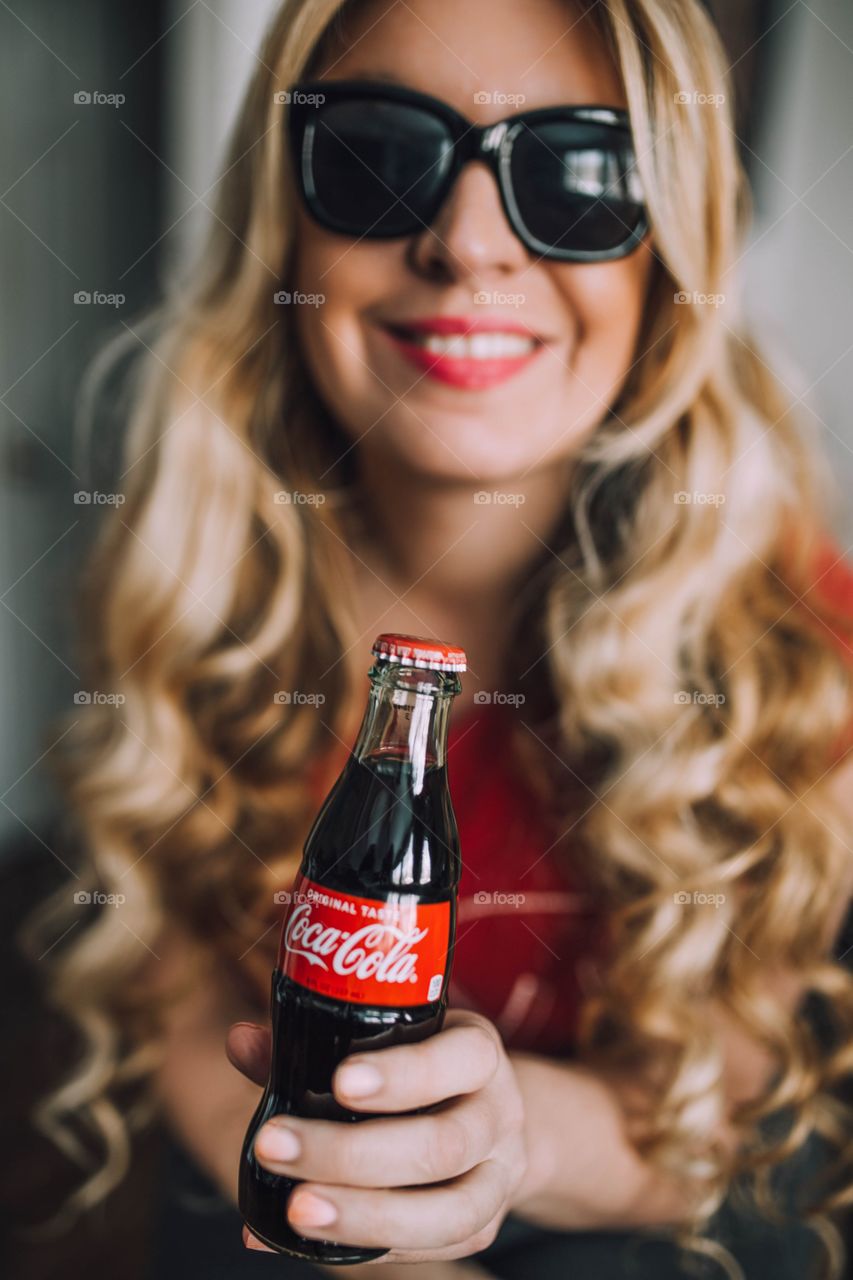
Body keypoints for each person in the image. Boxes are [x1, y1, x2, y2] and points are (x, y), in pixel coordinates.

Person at [23, 0, 853, 1277]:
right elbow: (176, 1005)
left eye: (578, 175)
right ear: (286, 222)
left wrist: (501, 1146)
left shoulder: (788, 631)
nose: (467, 245)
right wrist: (368, 1221)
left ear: (667, 255)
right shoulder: (193, 571)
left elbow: (718, 1096)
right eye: (374, 156)